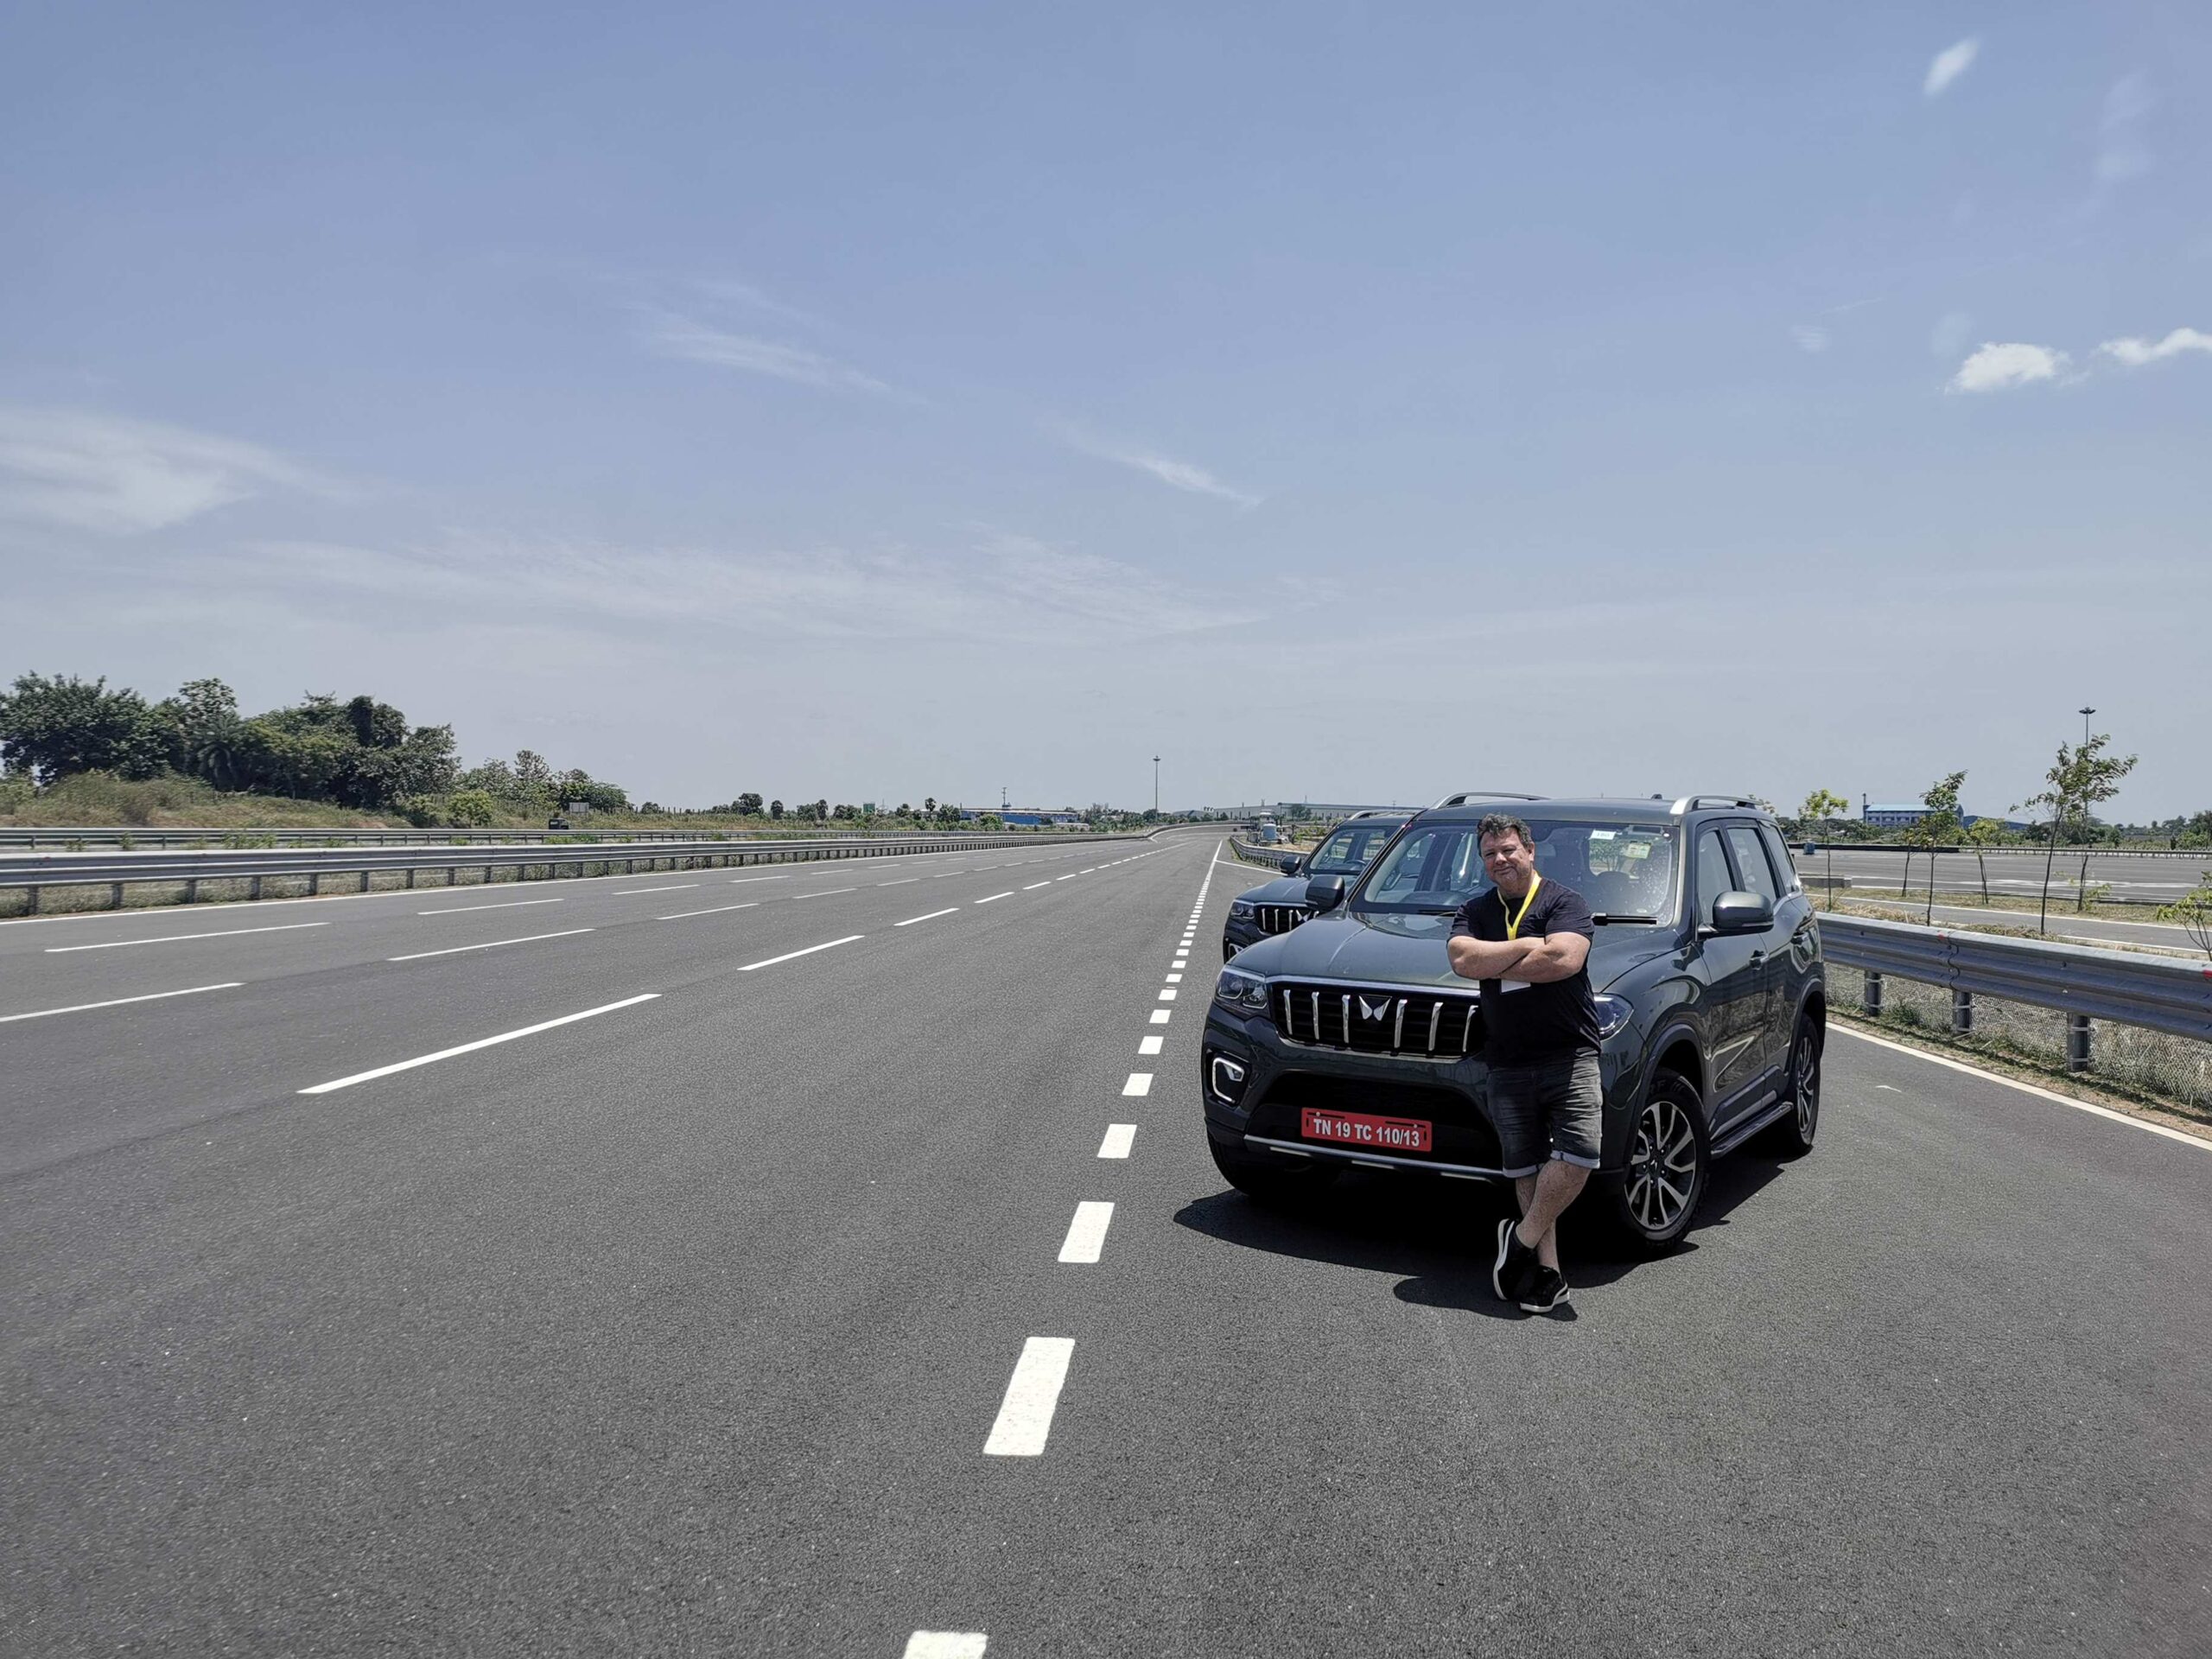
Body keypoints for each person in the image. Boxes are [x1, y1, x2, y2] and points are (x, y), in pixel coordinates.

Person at [1446, 813, 1600, 1313]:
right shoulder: (1474, 909)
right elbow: (1463, 961)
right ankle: (1547, 1273)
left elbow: (1564, 961)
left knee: (1579, 1155)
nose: (1500, 860)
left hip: (1569, 1053)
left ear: (1530, 851)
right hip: (1507, 1060)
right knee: (1526, 1166)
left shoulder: (1565, 902)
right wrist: (1529, 944)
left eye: (1508, 849)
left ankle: (1518, 1241)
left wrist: (1496, 960)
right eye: (1490, 854)